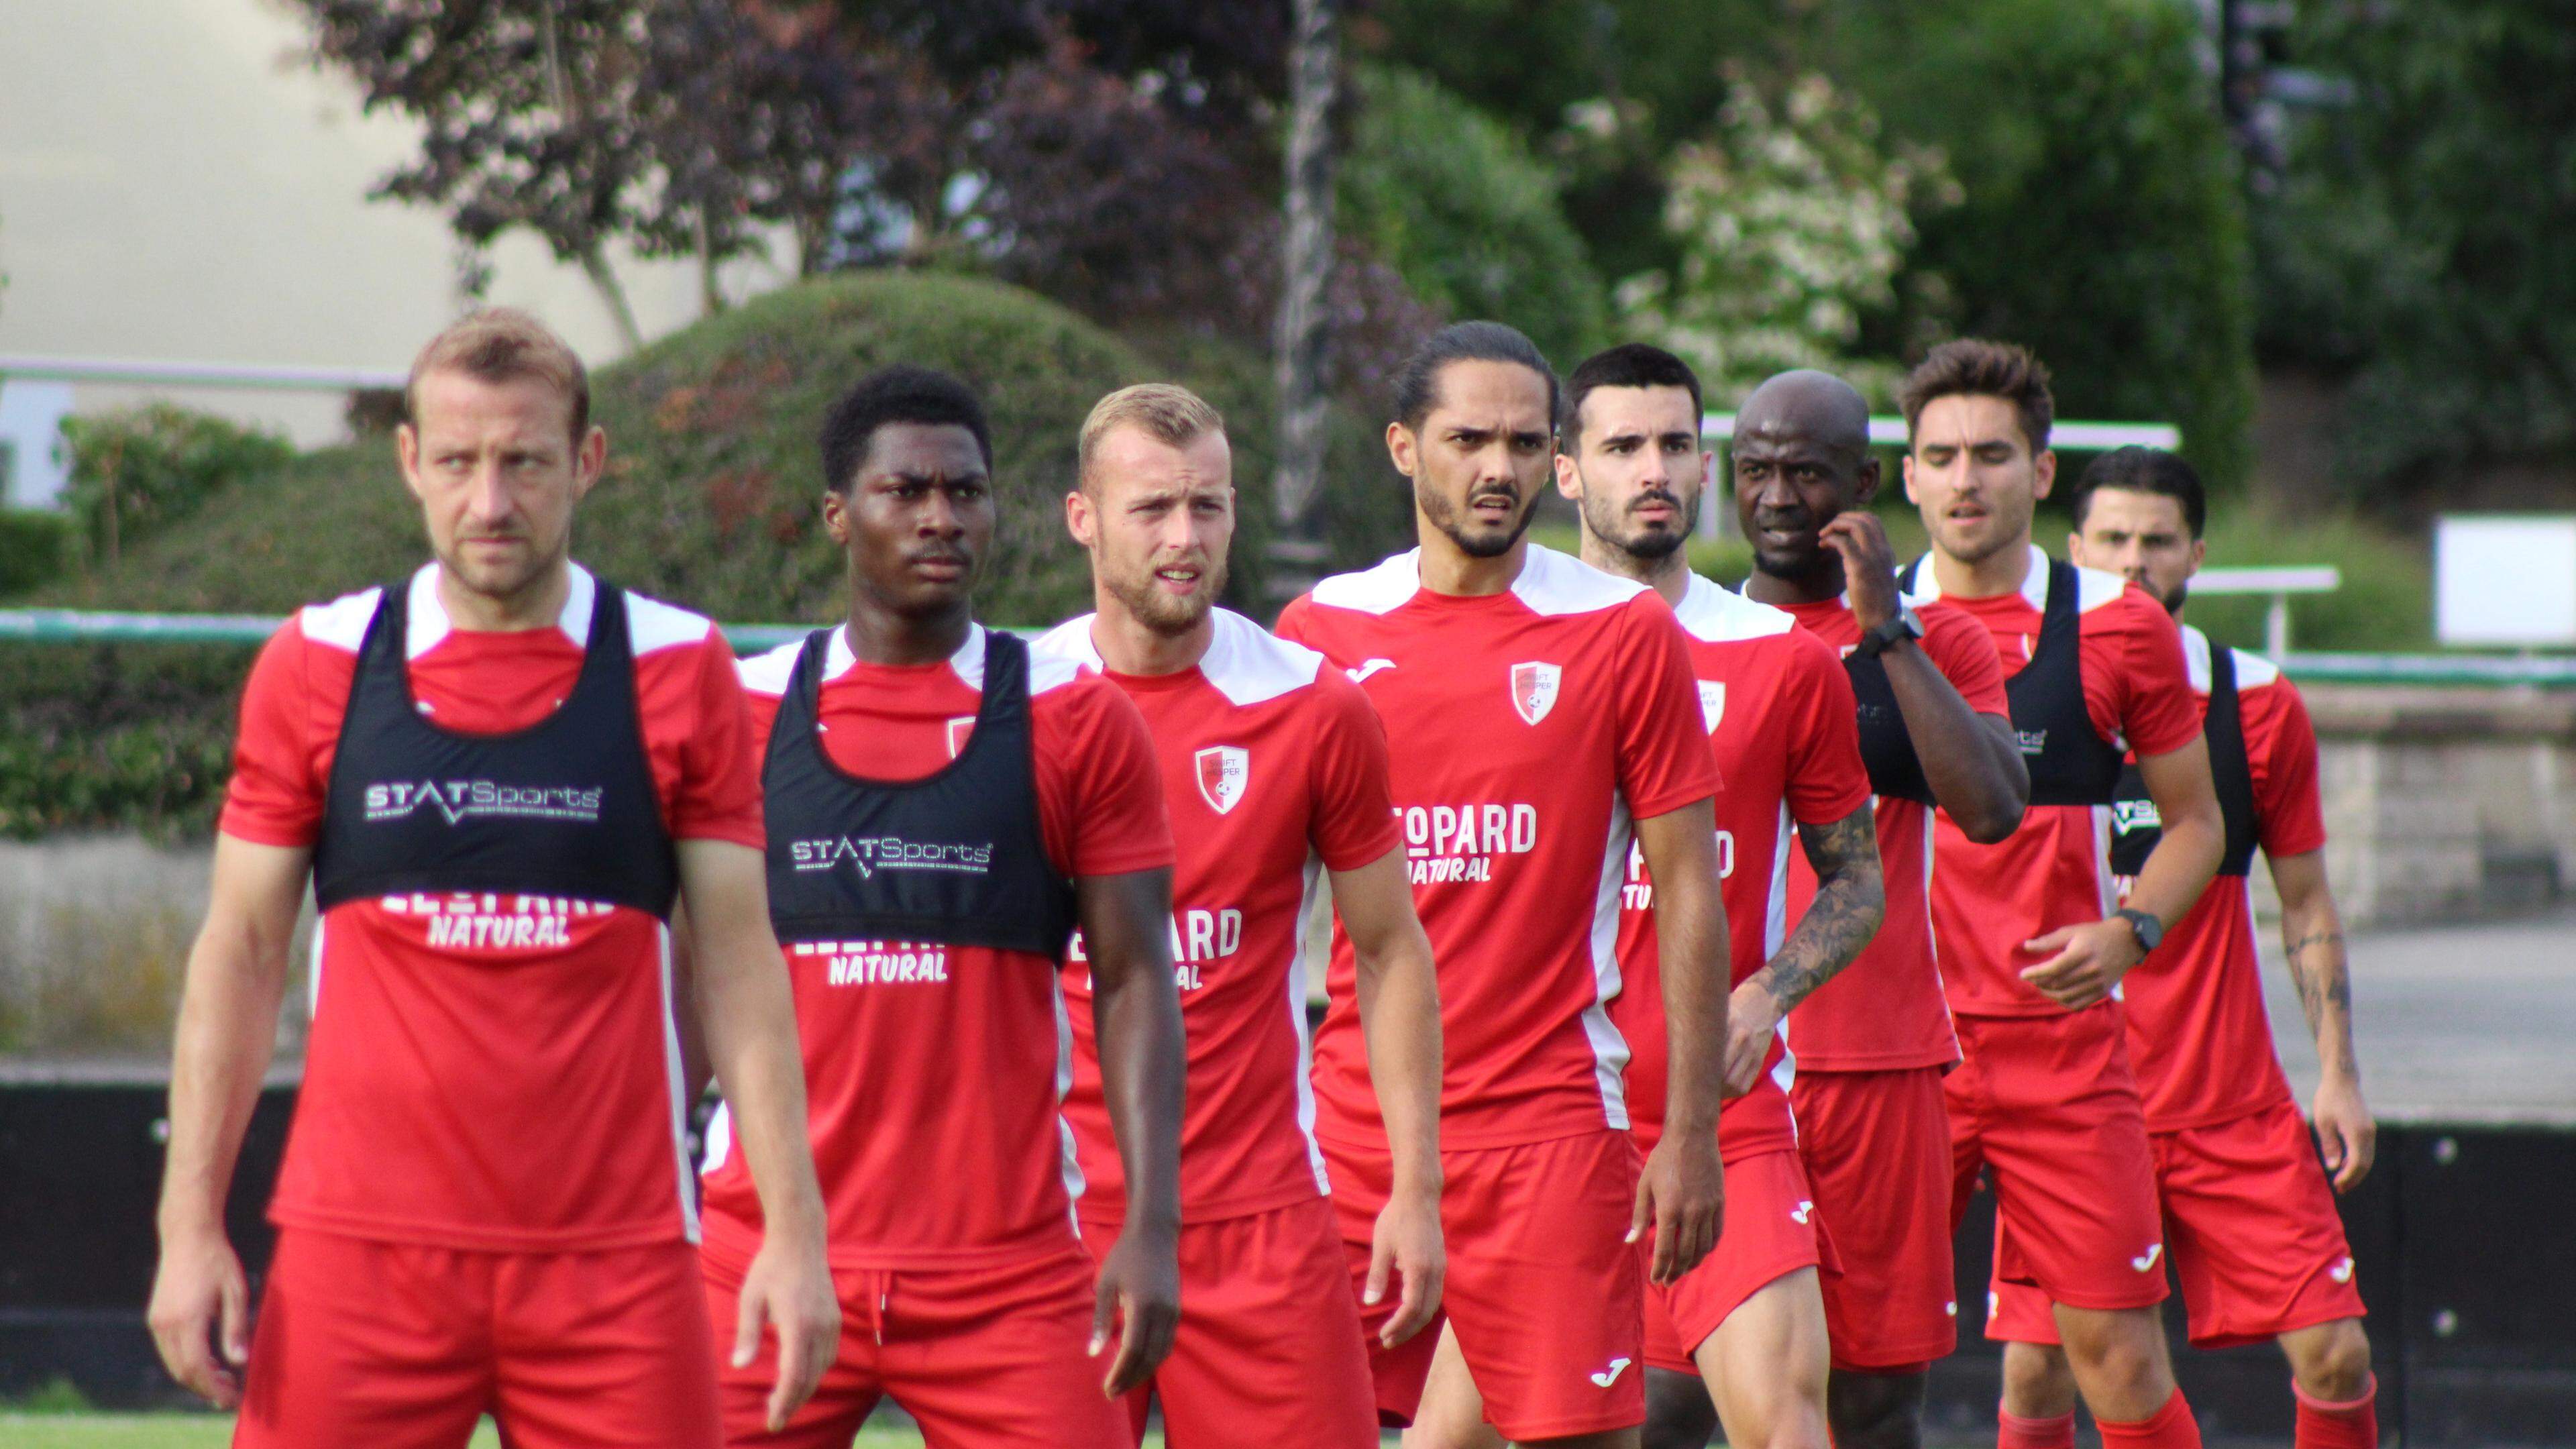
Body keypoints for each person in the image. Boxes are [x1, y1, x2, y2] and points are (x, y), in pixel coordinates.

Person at [148, 308, 837, 1448]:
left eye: (524, 462)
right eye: (459, 463)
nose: (491, 503)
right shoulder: (318, 662)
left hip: (614, 1263)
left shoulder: (678, 665)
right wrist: (189, 1230)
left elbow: (739, 961)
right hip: (358, 1257)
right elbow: (239, 954)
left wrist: (794, 1236)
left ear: (588, 462)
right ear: (411, 462)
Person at [696, 365, 1185, 1448]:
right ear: (838, 515)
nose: (939, 516)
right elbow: (681, 983)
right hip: (768, 1250)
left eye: (965, 492)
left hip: (1010, 1272)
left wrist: (1151, 1225)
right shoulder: (740, 709)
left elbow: (1137, 977)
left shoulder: (1076, 718)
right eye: (904, 491)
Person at [1277, 321, 1731, 1449]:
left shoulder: (1623, 632)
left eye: (1526, 442)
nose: (1499, 469)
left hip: (1552, 1127)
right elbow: (1258, 905)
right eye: (1467, 438)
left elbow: (1687, 892)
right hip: (1351, 1130)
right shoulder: (1322, 632)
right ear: (1401, 446)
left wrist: (1688, 1135)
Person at [1032, 382, 1447, 1446]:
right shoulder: (1010, 706)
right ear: (1083, 517)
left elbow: (1392, 948)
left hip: (1261, 1215)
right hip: (1053, 1217)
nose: (1185, 539)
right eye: (1152, 510)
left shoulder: (1313, 704)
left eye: (1208, 508)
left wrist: (1414, 1186)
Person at [1983, 447, 2379, 1449]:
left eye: (2158, 542)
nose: (2134, 563)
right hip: (2069, 1100)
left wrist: (2336, 1074)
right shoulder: (2010, 697)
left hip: (2223, 1107)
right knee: (2037, 1375)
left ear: (2198, 555)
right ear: (2071, 548)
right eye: (2111, 540)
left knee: (2337, 1356)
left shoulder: (2256, 703)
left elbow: (2305, 902)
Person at [1892, 339, 2226, 1449]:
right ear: (1908, 476)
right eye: (1940, 456)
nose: (1965, 479)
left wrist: (2131, 932)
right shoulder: (1851, 624)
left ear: (2042, 474)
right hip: (1897, 1057)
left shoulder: (2122, 625)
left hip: (2061, 1048)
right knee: (1851, 1361)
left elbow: (2197, 824)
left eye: (1992, 454)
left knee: (2117, 1359)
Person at [1559, 344, 1886, 1449]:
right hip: (1539, 1119)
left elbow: (1859, 882)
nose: (1653, 470)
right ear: (1568, 471)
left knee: (1793, 1428)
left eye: (1674, 446)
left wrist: (1767, 994)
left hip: (1723, 1121)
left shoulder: (1781, 658)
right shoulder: (1502, 642)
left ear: (1704, 470)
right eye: (1621, 447)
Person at [1730, 368, 2030, 1449]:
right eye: (1754, 470)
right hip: (1718, 1061)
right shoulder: (1691, 634)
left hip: (1877, 1069)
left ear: (1861, 483)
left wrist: (1883, 630)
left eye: (1804, 473)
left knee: (1869, 1399)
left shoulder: (1938, 639)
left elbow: (1994, 807)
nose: (1775, 496)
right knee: (1669, 1397)